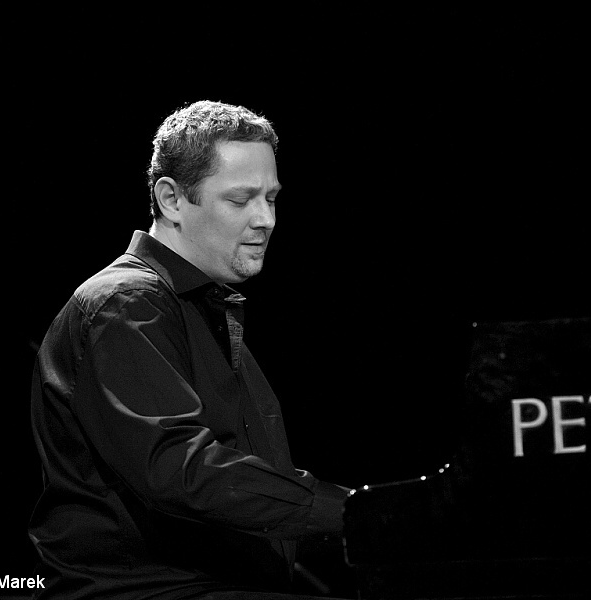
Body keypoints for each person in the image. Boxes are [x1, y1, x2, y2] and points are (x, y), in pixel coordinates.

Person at [29, 100, 351, 599]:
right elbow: (178, 467)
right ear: (171, 199)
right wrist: (353, 513)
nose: (266, 219)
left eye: (271, 198)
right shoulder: (126, 304)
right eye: (240, 200)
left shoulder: (196, 308)